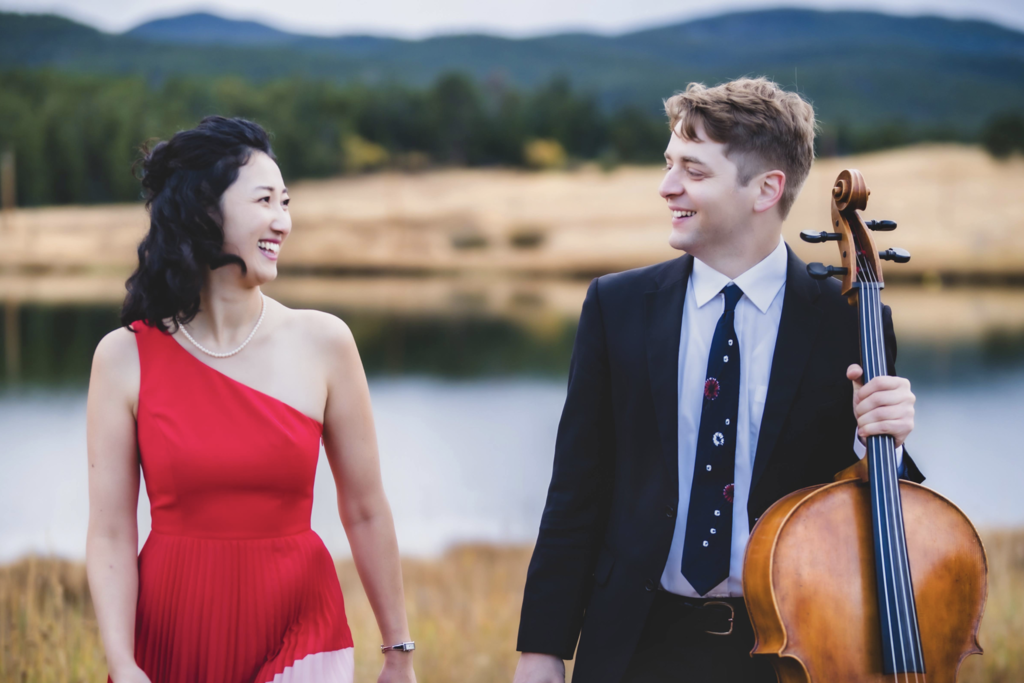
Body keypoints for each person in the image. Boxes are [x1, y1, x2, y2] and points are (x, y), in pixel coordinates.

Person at [513, 78, 923, 683]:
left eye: (693, 170)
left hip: (789, 649)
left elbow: (875, 514)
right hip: (633, 646)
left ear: (766, 189)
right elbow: (576, 488)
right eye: (669, 164)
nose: (667, 186)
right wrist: (541, 648)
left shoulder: (851, 321)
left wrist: (883, 442)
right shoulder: (616, 306)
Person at [86, 116, 416, 683]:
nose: (282, 222)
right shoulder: (123, 357)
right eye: (264, 201)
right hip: (171, 633)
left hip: (301, 632)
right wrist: (123, 663)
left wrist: (398, 653)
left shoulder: (325, 342)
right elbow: (111, 532)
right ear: (203, 210)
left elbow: (365, 509)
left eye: (285, 203)